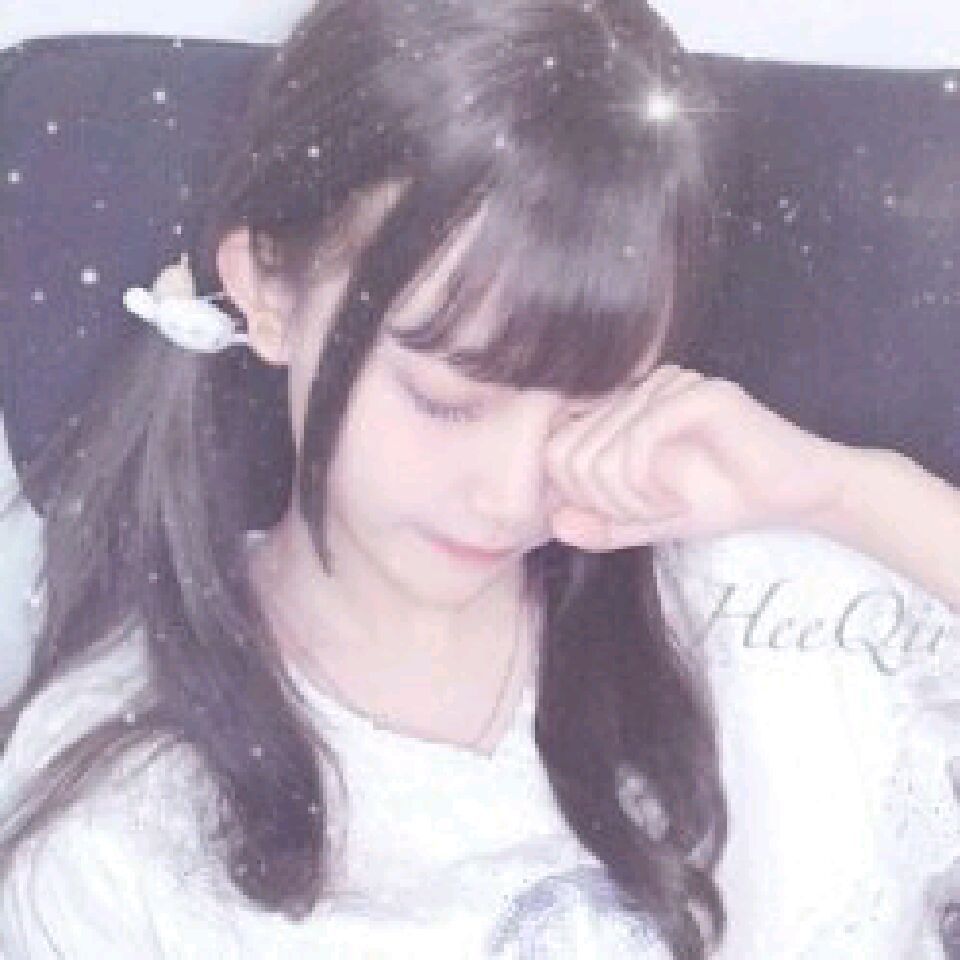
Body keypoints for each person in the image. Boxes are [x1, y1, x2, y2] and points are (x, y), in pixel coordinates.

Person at [0, 1, 956, 958]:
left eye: (590, 403)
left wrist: (840, 489)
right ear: (270, 290)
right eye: (447, 401)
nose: (510, 495)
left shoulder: (764, 615)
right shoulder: (120, 809)